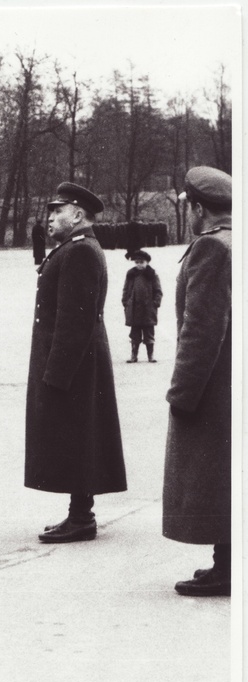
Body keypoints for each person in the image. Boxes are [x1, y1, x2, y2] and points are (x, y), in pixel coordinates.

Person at [26, 182, 127, 543]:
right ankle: (78, 514)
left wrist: (56, 374)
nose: (50, 217)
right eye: (49, 211)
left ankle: (82, 519)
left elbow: (75, 320)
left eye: (57, 211)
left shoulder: (80, 251)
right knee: (77, 436)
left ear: (78, 214)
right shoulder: (73, 248)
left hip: (76, 363)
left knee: (78, 435)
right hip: (78, 361)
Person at [164, 166, 232, 596]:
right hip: (229, 379)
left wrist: (181, 392)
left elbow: (202, 328)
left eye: (188, 205)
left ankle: (226, 568)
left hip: (215, 384)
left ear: (199, 208)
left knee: (214, 476)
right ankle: (226, 562)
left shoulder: (211, 248)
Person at [121, 249, 162, 363]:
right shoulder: (131, 274)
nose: (139, 264)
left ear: (147, 262)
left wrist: (155, 304)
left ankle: (151, 355)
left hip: (148, 309)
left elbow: (158, 291)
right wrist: (125, 302)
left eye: (142, 262)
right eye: (137, 262)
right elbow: (126, 289)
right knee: (134, 334)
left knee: (149, 333)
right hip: (134, 309)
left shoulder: (152, 275)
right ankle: (134, 356)